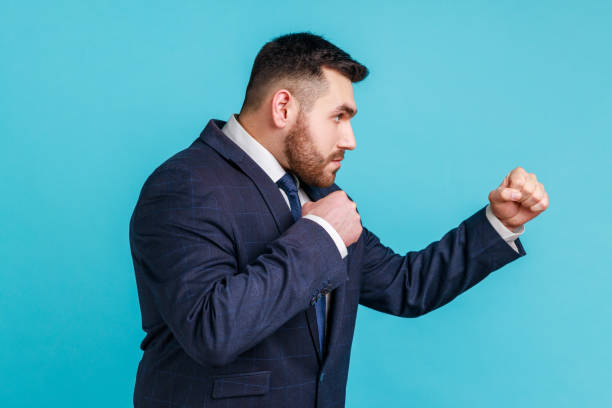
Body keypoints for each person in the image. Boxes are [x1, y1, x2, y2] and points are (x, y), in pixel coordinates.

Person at [129, 32, 549, 408]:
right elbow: (211, 329)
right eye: (339, 116)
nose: (350, 140)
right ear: (283, 107)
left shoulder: (321, 194)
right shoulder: (183, 183)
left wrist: (499, 222)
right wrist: (322, 235)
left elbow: (406, 286)